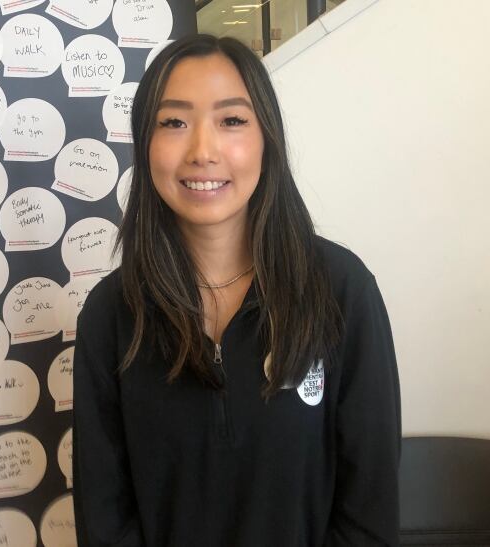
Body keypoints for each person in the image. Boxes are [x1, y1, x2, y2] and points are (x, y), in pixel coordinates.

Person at [72, 34, 401, 546]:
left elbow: (369, 512)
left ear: (266, 137)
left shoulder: (341, 290)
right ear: (145, 143)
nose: (203, 151)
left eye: (231, 120)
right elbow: (104, 517)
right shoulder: (111, 313)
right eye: (174, 122)